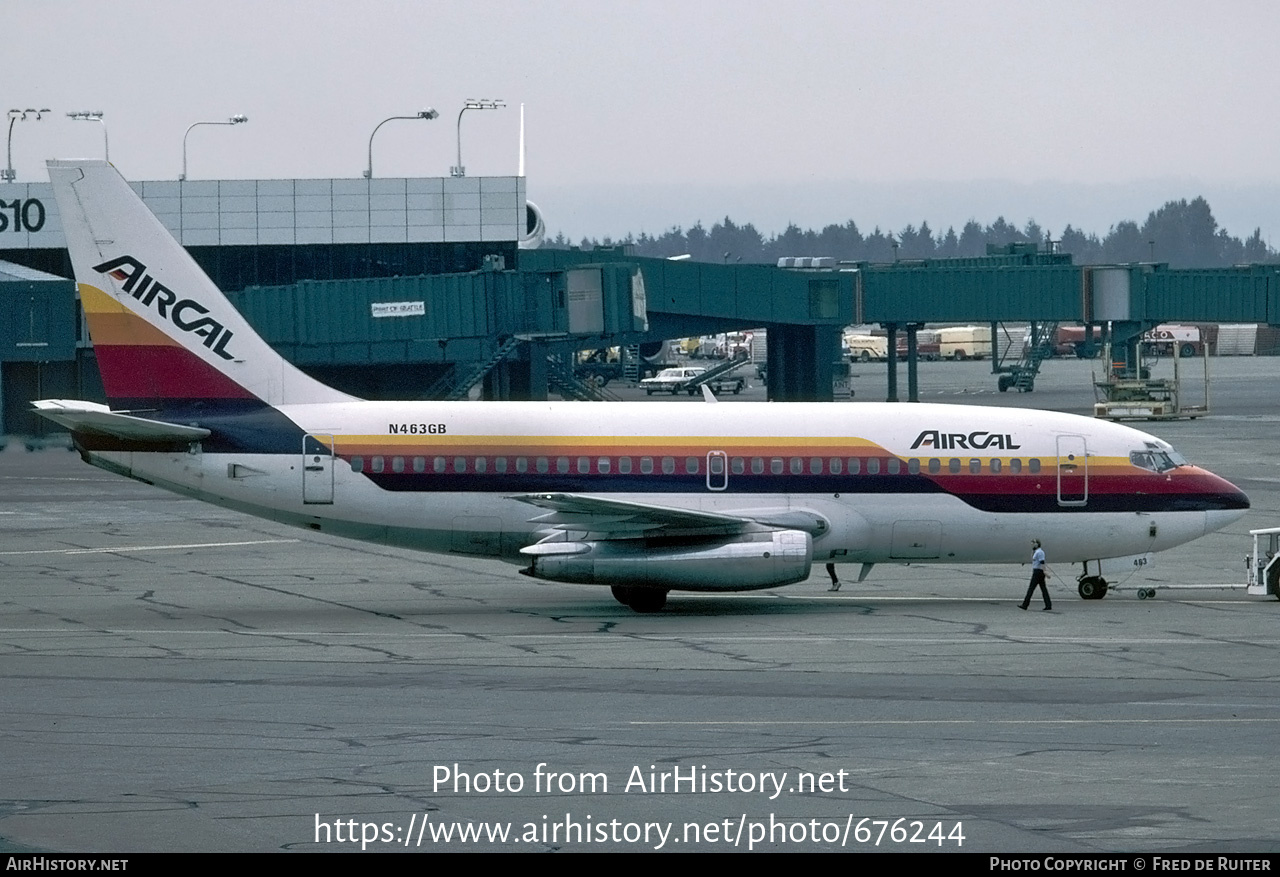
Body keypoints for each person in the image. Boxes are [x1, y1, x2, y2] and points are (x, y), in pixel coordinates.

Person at [1020, 539, 1052, 610]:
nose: (1032, 545)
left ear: (1037, 544)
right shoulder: (1036, 552)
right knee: (1043, 589)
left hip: (1038, 572)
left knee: (1031, 589)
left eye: (1033, 544)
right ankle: (1048, 605)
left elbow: (1042, 562)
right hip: (1038, 571)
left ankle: (1025, 605)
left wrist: (1045, 571)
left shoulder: (1040, 552)